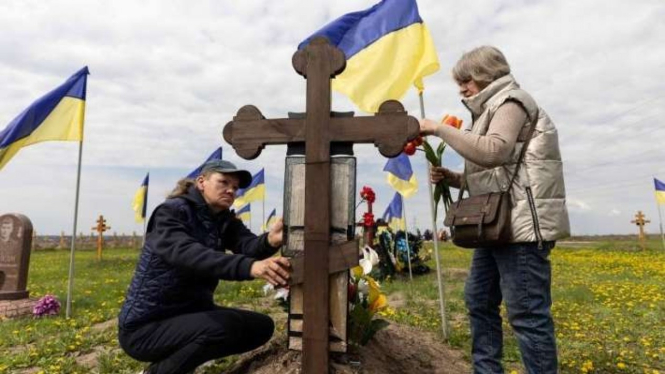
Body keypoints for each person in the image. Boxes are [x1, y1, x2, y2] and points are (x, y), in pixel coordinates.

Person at [420, 46, 569, 374]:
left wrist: (439, 128)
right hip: (498, 226)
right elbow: (492, 174)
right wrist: (455, 178)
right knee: (479, 301)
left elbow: (493, 152)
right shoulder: (488, 110)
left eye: (466, 80)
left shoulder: (511, 102)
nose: (462, 88)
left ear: (487, 74)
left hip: (521, 228)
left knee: (527, 316)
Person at [118, 160, 291, 374]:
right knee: (221, 329)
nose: (231, 190)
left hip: (190, 313)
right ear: (201, 182)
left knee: (260, 327)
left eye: (235, 187)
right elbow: (190, 254)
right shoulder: (171, 213)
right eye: (223, 182)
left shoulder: (222, 219)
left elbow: (247, 245)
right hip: (147, 326)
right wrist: (250, 267)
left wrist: (270, 241)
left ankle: (187, 358)